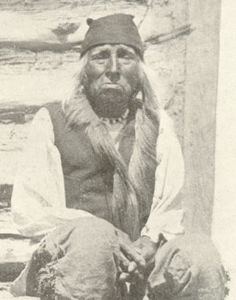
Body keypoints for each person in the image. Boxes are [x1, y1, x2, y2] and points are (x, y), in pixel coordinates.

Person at [10, 14, 226, 300]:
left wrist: (148, 243)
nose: (113, 68)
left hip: (141, 264)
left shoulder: (157, 124)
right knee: (92, 242)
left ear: (139, 70)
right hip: (72, 264)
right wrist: (104, 236)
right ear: (84, 70)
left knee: (199, 255)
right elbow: (32, 209)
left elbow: (169, 207)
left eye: (124, 56)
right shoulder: (52, 120)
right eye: (101, 57)